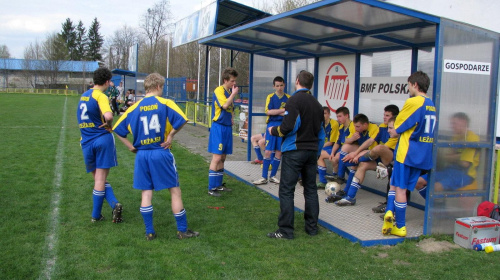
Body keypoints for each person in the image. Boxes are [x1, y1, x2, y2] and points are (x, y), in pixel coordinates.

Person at [113, 73, 199, 241]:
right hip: (160, 152)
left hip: (142, 155)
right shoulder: (165, 103)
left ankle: (149, 232)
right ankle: (182, 230)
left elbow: (117, 129)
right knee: (174, 191)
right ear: (159, 86)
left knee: (146, 193)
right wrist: (171, 136)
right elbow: (182, 119)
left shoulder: (133, 108)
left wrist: (131, 147)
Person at [266, 70, 325, 239]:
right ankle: (312, 228)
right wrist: (316, 152)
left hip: (294, 151)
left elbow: (288, 127)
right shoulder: (318, 105)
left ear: (297, 81)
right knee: (311, 189)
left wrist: (272, 130)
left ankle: (285, 231)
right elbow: (321, 134)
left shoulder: (293, 101)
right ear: (311, 84)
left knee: (286, 190)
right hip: (312, 152)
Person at [382, 70, 436, 237]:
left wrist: (394, 130)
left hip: (407, 153)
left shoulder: (414, 102)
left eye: (408, 85)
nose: (408, 89)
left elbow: (397, 127)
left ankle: (401, 226)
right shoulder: (431, 103)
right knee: (395, 183)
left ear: (415, 85)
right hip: (422, 154)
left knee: (400, 188)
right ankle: (389, 212)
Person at [76, 67, 123, 223]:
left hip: (86, 141)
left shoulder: (84, 96)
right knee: (100, 179)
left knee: (97, 179)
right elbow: (108, 115)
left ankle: (112, 205)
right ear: (107, 81)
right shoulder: (100, 96)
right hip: (102, 139)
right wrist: (109, 123)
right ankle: (98, 214)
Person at [335, 114, 398, 207]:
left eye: (387, 115)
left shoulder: (398, 136)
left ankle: (391, 209)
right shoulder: (382, 128)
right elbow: (369, 142)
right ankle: (350, 197)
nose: (384, 117)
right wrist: (357, 152)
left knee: (378, 149)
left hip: (392, 162)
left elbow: (379, 148)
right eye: (384, 114)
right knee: (362, 165)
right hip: (377, 158)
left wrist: (358, 154)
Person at [414, 112, 479, 197]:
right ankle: (433, 205)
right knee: (418, 182)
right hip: (450, 170)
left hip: (465, 175)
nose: (452, 126)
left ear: (463, 122)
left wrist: (454, 157)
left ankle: (436, 207)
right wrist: (459, 156)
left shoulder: (472, 138)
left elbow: (465, 163)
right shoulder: (456, 137)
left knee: (437, 186)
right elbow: (447, 158)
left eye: (454, 123)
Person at [326, 114, 379, 204]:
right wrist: (352, 138)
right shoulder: (356, 129)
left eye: (358, 126)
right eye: (355, 126)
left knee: (358, 165)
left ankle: (348, 194)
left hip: (373, 156)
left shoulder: (375, 127)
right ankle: (341, 178)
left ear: (365, 124)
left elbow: (369, 144)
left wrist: (356, 154)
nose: (356, 128)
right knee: (346, 147)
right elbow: (345, 141)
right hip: (363, 153)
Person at [207, 67, 239, 197]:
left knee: (223, 157)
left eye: (235, 81)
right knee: (217, 157)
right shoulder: (219, 91)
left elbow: (230, 108)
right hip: (218, 127)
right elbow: (224, 105)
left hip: (226, 127)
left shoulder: (228, 91)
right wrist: (233, 94)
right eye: (232, 81)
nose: (234, 84)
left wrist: (231, 117)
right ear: (225, 80)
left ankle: (218, 185)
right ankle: (211, 187)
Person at [253, 76, 289, 185]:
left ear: (284, 85)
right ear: (274, 86)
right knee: (268, 151)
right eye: (277, 86)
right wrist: (282, 111)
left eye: (281, 85)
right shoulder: (270, 97)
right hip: (271, 126)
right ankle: (264, 177)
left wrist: (277, 111)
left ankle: (273, 176)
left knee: (279, 152)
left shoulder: (289, 98)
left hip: (283, 126)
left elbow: (289, 113)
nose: (279, 88)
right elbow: (268, 112)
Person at [317, 106, 339, 188]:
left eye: (325, 113)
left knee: (319, 155)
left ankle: (323, 181)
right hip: (324, 146)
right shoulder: (319, 123)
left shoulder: (334, 124)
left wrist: (319, 146)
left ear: (329, 114)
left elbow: (331, 142)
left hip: (333, 147)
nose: (323, 116)